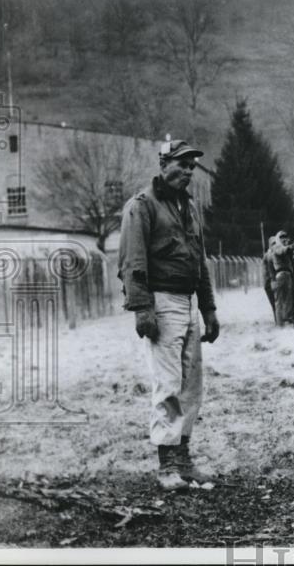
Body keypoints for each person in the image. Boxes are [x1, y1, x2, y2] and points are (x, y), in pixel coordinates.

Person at [118, 139, 221, 491]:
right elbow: (132, 260)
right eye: (183, 164)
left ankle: (184, 458)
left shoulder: (189, 208)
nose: (189, 171)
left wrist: (209, 308)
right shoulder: (142, 205)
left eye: (193, 166)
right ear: (164, 163)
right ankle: (166, 465)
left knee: (192, 384)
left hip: (188, 302)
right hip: (161, 302)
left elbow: (200, 261)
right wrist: (142, 307)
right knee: (167, 383)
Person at [270, 230, 294, 326]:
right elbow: (281, 251)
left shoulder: (284, 247)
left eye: (285, 237)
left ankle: (287, 320)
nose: (284, 238)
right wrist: (288, 247)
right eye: (282, 237)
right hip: (280, 274)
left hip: (287, 274)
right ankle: (280, 323)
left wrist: (290, 247)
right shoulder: (276, 247)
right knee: (279, 300)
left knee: (288, 299)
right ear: (278, 238)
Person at [262, 235, 280, 322]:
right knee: (274, 303)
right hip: (269, 283)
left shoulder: (272, 254)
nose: (275, 246)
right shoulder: (269, 255)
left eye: (276, 243)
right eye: (273, 244)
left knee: (276, 303)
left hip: (271, 281)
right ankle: (278, 321)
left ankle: (278, 320)